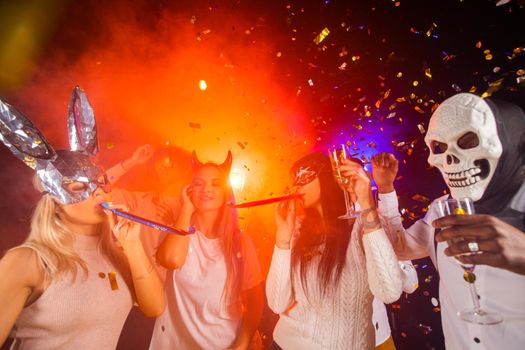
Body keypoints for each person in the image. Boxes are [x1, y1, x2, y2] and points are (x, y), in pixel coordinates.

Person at [0, 87, 165, 349]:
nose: (96, 192)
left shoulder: (117, 255)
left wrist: (133, 246)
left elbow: (154, 307)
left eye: (99, 184)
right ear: (54, 204)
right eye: (79, 188)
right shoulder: (28, 260)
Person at [372, 92, 525, 349]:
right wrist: (385, 189)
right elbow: (398, 248)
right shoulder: (443, 210)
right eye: (439, 148)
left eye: (468, 141)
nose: (450, 159)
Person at [266, 152, 403, 350]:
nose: (296, 186)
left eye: (303, 177)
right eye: (293, 180)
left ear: (327, 177)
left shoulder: (365, 225)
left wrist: (366, 204)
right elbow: (277, 303)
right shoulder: (297, 231)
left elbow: (390, 292)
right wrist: (283, 237)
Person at [149, 151, 264, 350]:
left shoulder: (241, 243)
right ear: (189, 190)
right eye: (199, 183)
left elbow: (255, 300)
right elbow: (171, 260)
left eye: (215, 184)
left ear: (226, 192)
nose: (206, 189)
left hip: (223, 343)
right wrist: (186, 209)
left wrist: (243, 343)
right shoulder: (176, 232)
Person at [105, 145, 192, 349]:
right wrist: (131, 162)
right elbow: (98, 190)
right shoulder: (141, 201)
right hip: (136, 305)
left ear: (186, 169)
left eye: (169, 162)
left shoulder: (195, 212)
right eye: (158, 163)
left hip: (178, 314)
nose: (161, 167)